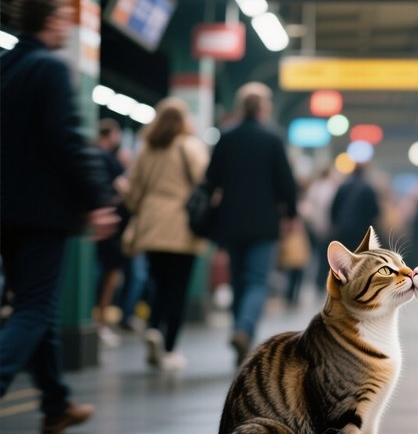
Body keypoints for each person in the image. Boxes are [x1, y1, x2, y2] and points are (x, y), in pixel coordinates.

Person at [0, 0, 119, 434]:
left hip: (7, 211)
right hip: (43, 212)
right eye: (65, 19)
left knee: (36, 305)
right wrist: (97, 200)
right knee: (32, 307)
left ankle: (56, 403)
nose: (69, 27)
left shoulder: (5, 65)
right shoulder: (50, 68)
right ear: (50, 21)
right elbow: (67, 141)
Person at [205, 82, 298, 364]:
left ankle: (240, 332)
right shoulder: (272, 139)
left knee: (237, 280)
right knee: (257, 280)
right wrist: (291, 214)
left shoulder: (227, 137)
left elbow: (211, 179)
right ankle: (244, 328)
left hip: (231, 222)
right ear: (262, 108)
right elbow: (286, 183)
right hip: (264, 222)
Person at [124, 98, 209, 370]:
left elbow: (133, 191)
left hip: (151, 222)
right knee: (178, 288)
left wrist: (142, 208)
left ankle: (153, 327)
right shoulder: (189, 145)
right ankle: (170, 347)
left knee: (157, 282)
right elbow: (204, 182)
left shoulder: (146, 149)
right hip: (181, 225)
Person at [92, 118, 130, 347]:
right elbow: (124, 188)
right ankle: (101, 324)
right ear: (112, 135)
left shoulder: (88, 154)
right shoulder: (109, 158)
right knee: (110, 275)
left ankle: (97, 320)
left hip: (87, 224)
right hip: (109, 224)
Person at [330, 162, 380, 251]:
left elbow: (334, 209)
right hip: (361, 232)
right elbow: (374, 212)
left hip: (343, 230)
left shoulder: (343, 186)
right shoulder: (367, 188)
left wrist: (336, 226)